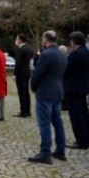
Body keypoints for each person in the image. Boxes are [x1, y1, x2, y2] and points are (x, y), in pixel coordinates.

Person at [28, 30, 67, 164]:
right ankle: (60, 150)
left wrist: (33, 86)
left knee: (44, 123)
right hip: (58, 91)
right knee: (58, 123)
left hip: (45, 92)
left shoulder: (46, 55)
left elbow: (37, 73)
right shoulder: (62, 54)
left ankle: (45, 152)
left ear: (45, 40)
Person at [63, 31, 89, 149]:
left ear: (74, 41)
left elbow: (66, 70)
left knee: (76, 116)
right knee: (85, 114)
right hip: (83, 87)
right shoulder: (88, 53)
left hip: (73, 88)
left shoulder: (75, 54)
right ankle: (88, 139)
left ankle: (81, 141)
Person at [14, 33, 34, 117]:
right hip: (27, 72)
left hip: (21, 73)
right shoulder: (29, 48)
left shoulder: (21, 50)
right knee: (26, 92)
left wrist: (15, 74)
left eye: (17, 39)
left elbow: (18, 63)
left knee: (21, 92)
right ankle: (28, 110)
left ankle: (23, 111)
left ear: (20, 40)